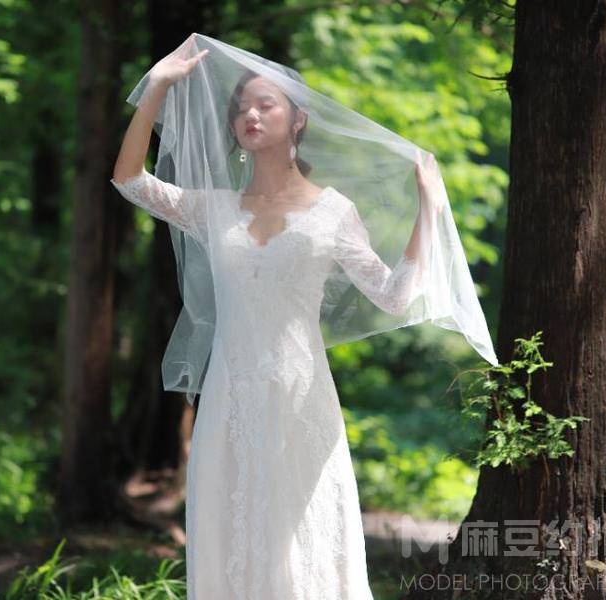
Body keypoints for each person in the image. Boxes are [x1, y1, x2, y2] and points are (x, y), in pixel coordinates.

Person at [110, 33, 497, 599]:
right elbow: (129, 179)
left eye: (266, 104)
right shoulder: (214, 209)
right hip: (228, 396)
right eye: (241, 108)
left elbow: (394, 295)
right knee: (231, 529)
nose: (250, 114)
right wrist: (159, 87)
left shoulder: (333, 212)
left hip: (301, 396)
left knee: (304, 537)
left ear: (298, 120)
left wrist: (429, 210)